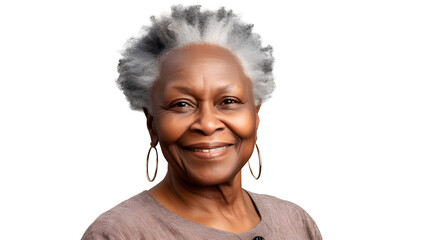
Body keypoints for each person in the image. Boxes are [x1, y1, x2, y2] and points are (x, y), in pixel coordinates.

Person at [82, 5, 322, 240]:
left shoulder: (296, 222)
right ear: (151, 123)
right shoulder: (117, 233)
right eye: (181, 104)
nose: (207, 124)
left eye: (228, 100)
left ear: (255, 114)